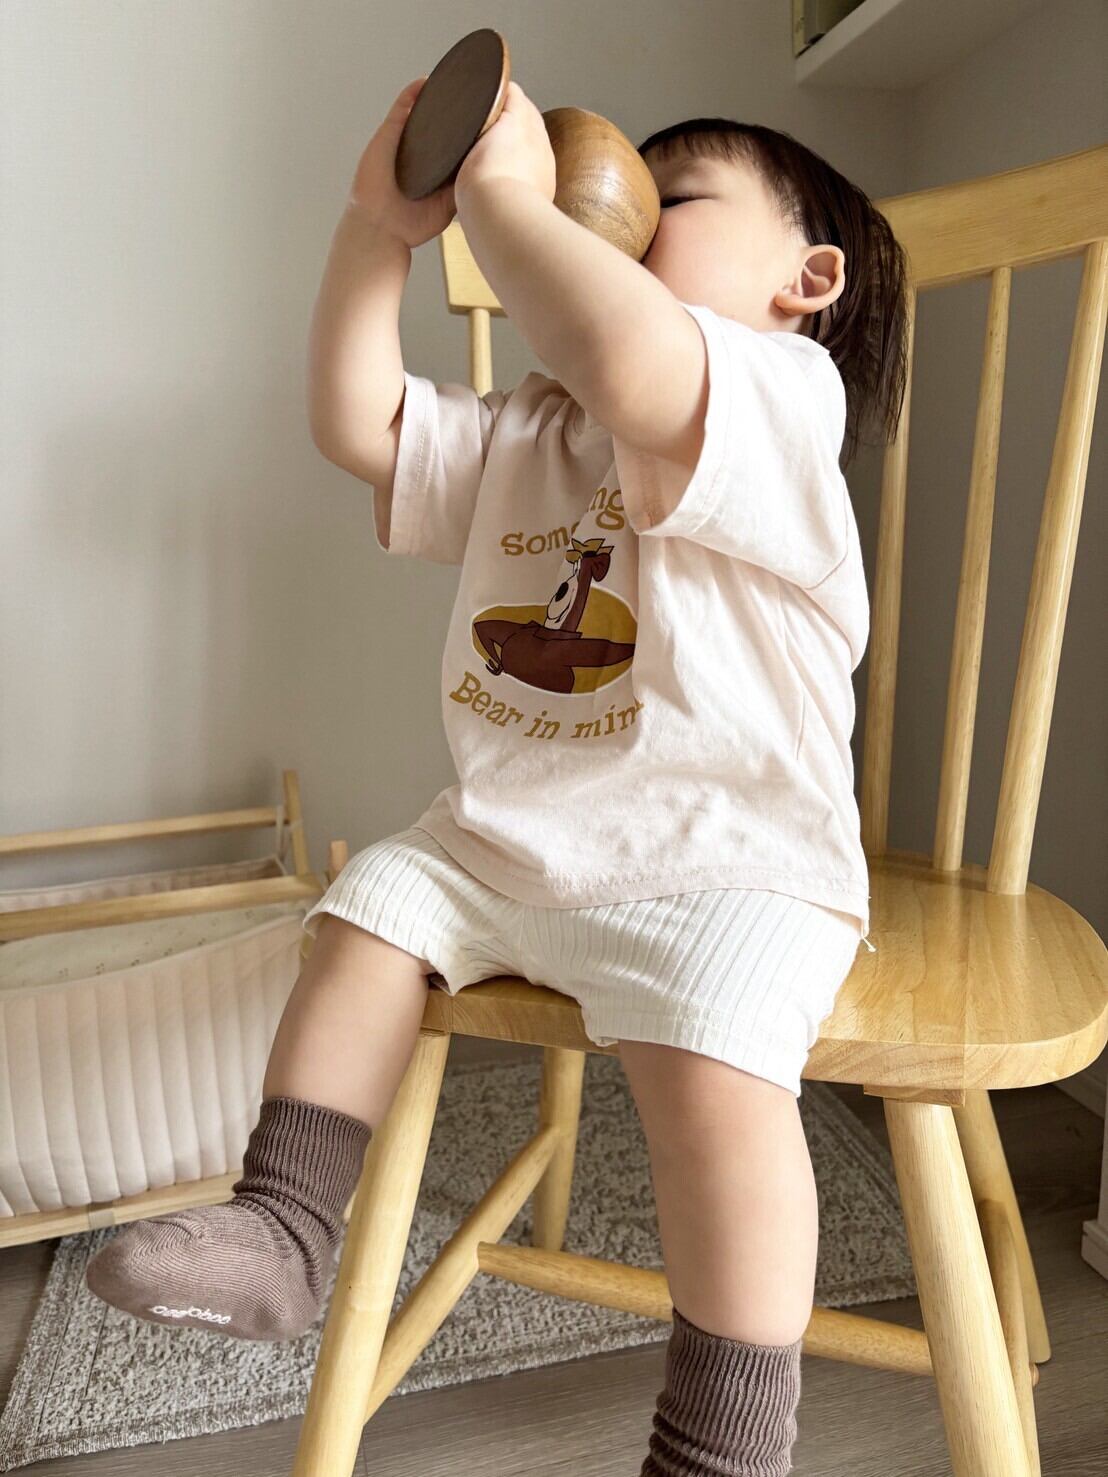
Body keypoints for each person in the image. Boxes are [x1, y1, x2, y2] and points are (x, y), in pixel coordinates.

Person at [86, 76, 908, 1477]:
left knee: (718, 1081)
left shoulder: (779, 396)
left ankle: (721, 1439)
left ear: (806, 282)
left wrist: (516, 207)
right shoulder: (542, 425)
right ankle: (286, 1221)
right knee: (368, 909)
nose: (630, 210)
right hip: (510, 839)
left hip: (728, 855)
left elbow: (637, 360)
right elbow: (358, 423)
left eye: (675, 196)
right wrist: (377, 228)